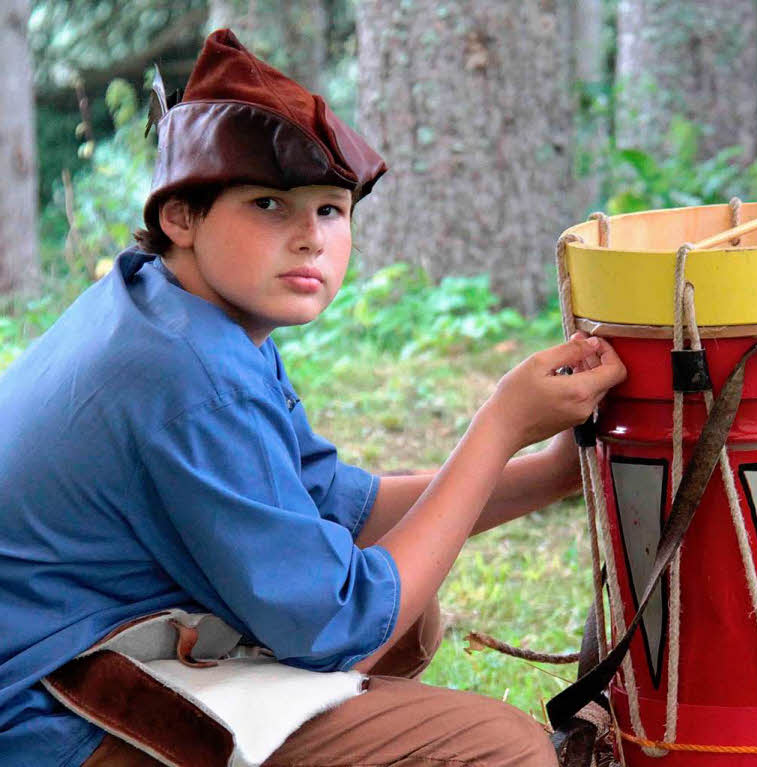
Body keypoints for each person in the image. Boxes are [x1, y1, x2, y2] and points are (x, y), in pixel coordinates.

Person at [0, 29, 625, 767]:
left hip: (87, 643)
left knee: (409, 610)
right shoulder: (189, 371)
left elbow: (334, 503)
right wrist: (498, 425)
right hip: (51, 709)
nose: (309, 238)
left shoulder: (171, 307)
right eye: (269, 204)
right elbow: (340, 620)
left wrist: (547, 473)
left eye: (331, 210)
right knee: (501, 749)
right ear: (181, 217)